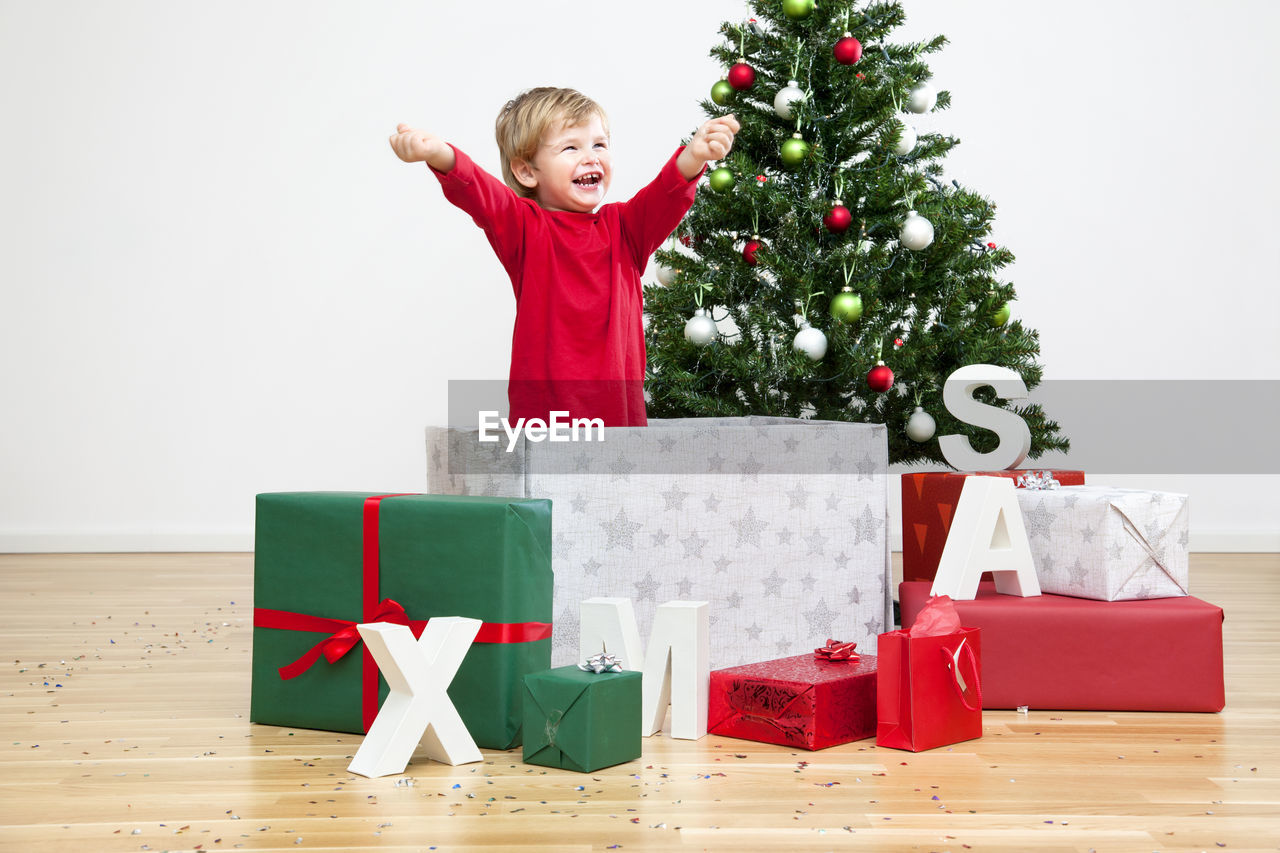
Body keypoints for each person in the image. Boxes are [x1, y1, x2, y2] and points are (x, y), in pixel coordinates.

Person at [390, 87, 739, 427]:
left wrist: (695, 154)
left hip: (619, 423)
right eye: (571, 147)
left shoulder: (626, 228)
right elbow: (480, 192)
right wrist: (438, 153)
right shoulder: (524, 227)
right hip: (545, 421)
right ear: (526, 171)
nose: (591, 157)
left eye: (599, 144)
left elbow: (667, 192)